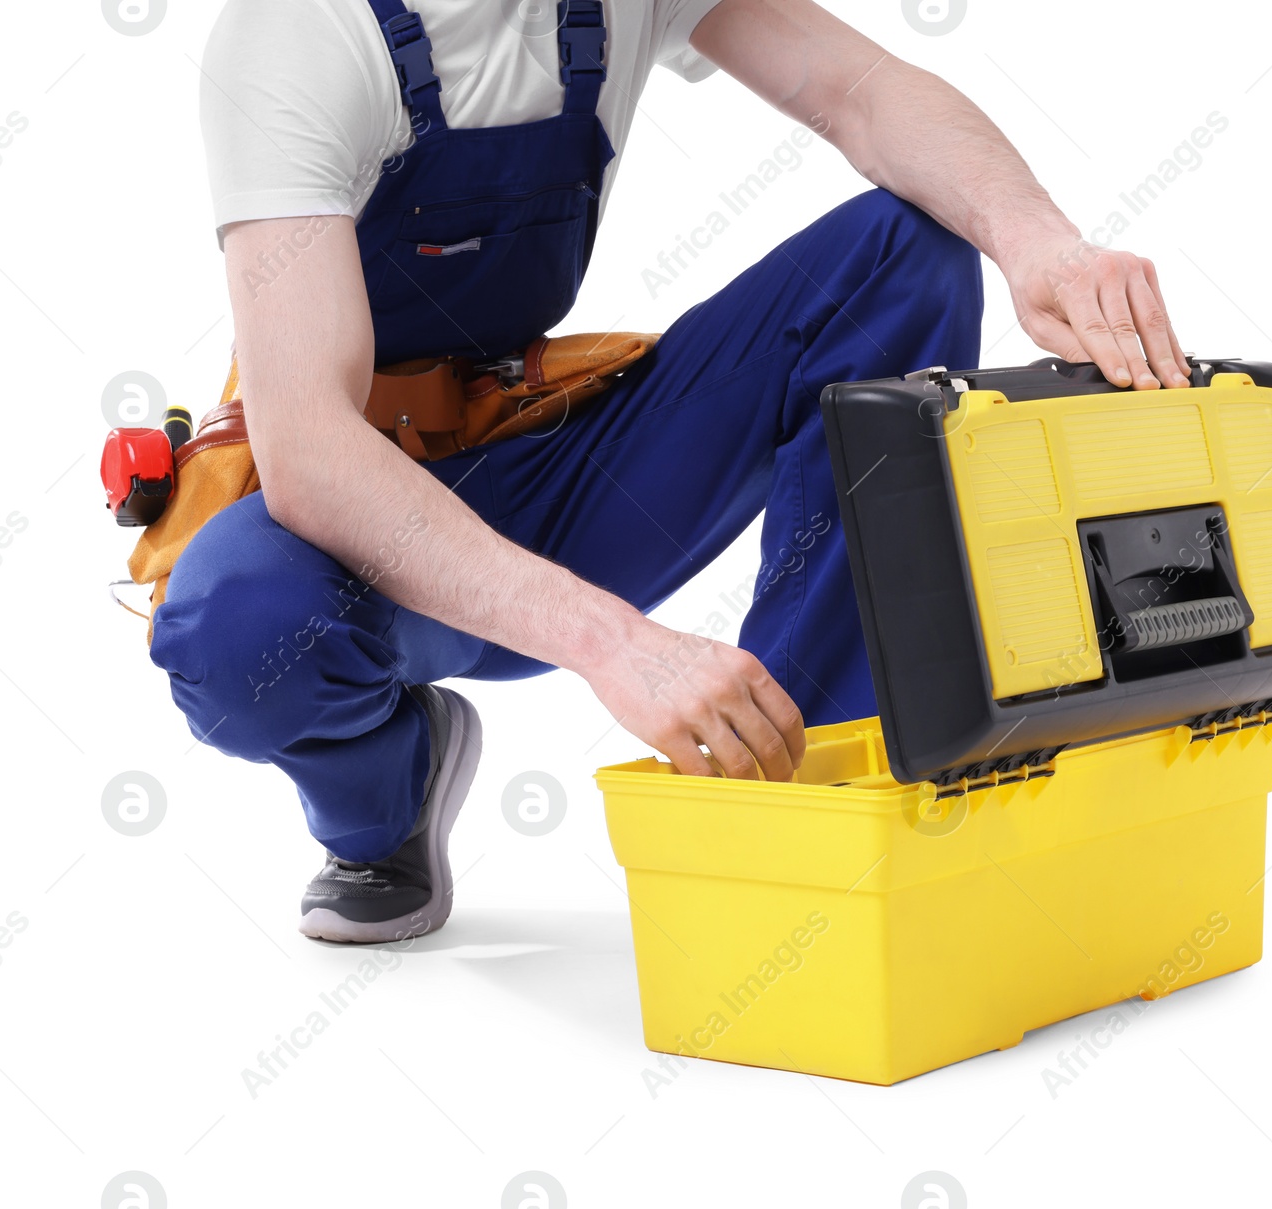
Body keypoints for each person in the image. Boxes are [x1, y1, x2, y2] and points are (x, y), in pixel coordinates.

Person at [154, 0, 1192, 943]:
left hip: (547, 469)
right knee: (237, 630)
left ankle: (804, 779)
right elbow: (314, 459)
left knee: (907, 253)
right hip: (357, 529)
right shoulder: (298, 35)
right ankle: (385, 799)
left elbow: (865, 92)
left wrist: (1038, 243)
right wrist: (620, 647)